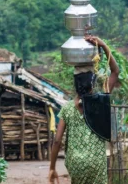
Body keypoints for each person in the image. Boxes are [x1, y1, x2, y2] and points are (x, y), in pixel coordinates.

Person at [49, 35, 119, 184]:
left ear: (75, 83)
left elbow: (57, 141)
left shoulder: (67, 108)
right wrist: (104, 45)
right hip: (96, 161)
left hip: (75, 163)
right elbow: (115, 72)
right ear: (92, 83)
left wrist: (52, 168)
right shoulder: (100, 102)